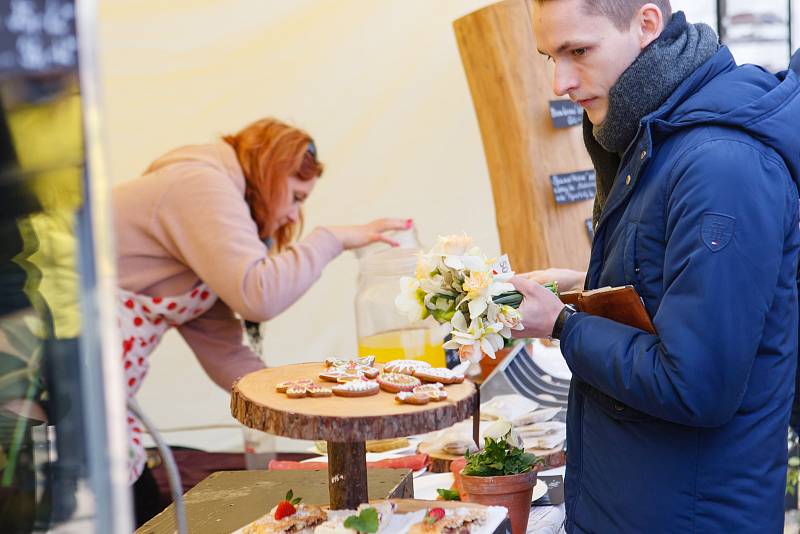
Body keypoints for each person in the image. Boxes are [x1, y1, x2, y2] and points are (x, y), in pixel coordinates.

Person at [509, 1, 800, 531]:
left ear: (646, 25)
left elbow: (695, 384)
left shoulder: (720, 163)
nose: (560, 82)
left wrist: (562, 324)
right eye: (550, 56)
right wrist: (583, 291)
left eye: (578, 51)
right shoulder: (656, 137)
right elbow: (670, 294)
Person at [113, 117, 408, 524]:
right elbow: (259, 295)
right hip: (44, 389)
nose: (291, 216)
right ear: (272, 171)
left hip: (97, 406)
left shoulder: (204, 218)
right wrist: (332, 239)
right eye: (297, 196)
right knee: (137, 507)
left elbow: (228, 356)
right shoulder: (199, 184)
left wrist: (316, 404)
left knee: (141, 504)